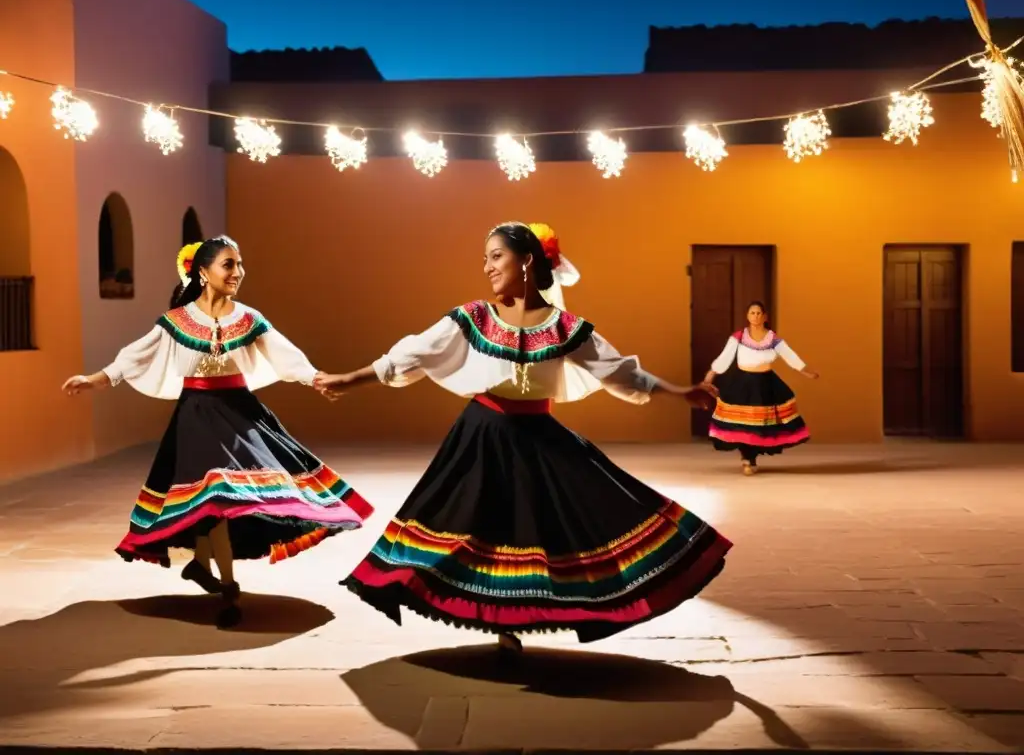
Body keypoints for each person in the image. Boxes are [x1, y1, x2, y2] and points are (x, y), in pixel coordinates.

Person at [314, 222, 732, 652]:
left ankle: (516, 619)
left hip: (538, 436)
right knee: (477, 526)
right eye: (485, 258)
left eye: (496, 256)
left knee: (542, 528)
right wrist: (350, 378)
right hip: (481, 435)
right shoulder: (474, 317)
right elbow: (414, 354)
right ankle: (497, 621)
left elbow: (621, 372)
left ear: (527, 260)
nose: (487, 267)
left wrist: (681, 392)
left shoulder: (565, 327)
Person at [61, 236, 373, 628]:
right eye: (229, 265)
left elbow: (284, 353)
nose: (238, 273)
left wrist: (316, 379)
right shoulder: (176, 321)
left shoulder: (248, 318)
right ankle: (225, 585)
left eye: (240, 265)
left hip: (240, 413)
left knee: (225, 495)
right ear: (203, 273)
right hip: (196, 415)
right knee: (213, 495)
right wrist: (95, 380)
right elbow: (137, 354)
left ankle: (205, 569)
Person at [703, 300, 818, 475]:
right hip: (742, 382)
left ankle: (752, 456)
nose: (755, 316)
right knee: (744, 423)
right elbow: (725, 357)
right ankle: (747, 458)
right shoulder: (738, 337)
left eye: (758, 313)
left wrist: (806, 371)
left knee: (759, 425)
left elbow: (790, 356)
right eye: (752, 313)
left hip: (766, 384)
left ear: (765, 316)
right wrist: (711, 374)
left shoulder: (773, 339)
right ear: (747, 316)